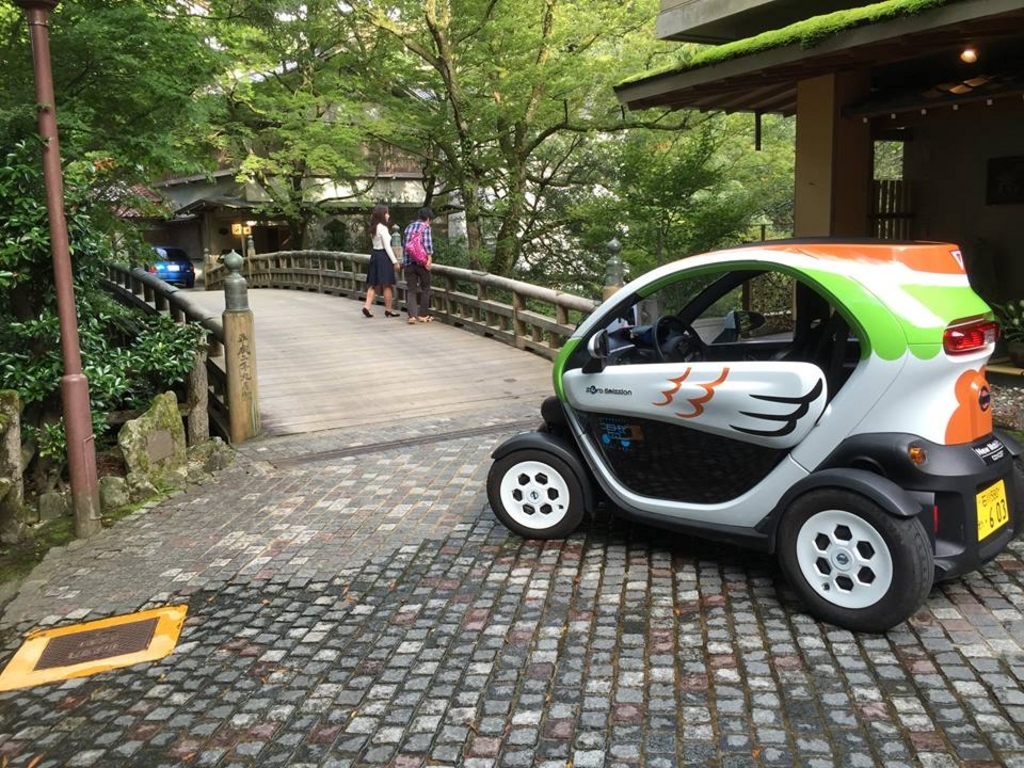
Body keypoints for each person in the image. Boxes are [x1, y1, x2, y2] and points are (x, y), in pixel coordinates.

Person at [362, 203, 401, 318]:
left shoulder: (373, 227)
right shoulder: (383, 228)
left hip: (374, 255)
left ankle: (367, 306)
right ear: (382, 215)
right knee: (387, 284)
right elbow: (387, 247)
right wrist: (395, 261)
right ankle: (389, 309)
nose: (388, 215)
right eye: (387, 213)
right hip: (383, 256)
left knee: (373, 284)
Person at [403, 206, 434, 324]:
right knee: (426, 288)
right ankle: (423, 315)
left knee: (411, 289)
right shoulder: (426, 227)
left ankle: (412, 316)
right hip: (421, 263)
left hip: (408, 262)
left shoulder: (408, 227)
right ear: (428, 218)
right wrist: (429, 260)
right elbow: (427, 245)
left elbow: (405, 245)